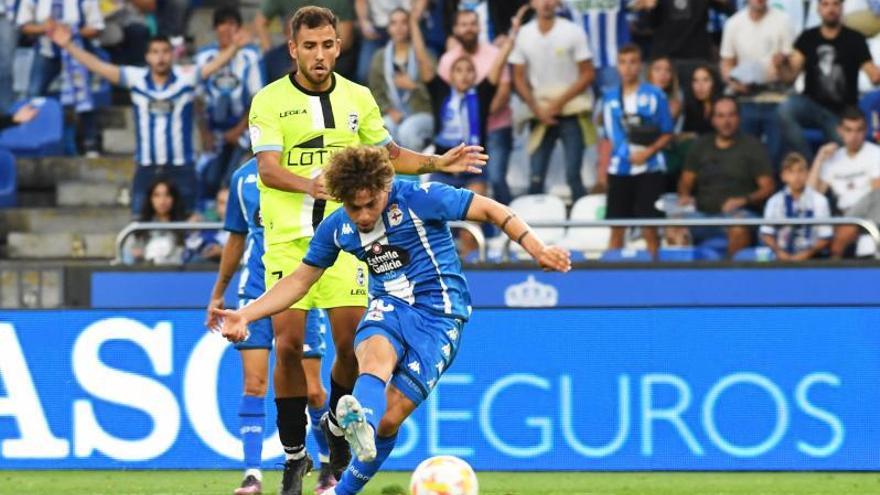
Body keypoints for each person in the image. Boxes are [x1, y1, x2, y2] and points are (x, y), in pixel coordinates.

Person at [212, 145, 571, 495]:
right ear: (341, 199)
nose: (364, 215)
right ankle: (357, 420)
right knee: (373, 348)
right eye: (354, 207)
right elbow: (298, 280)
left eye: (371, 204)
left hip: (440, 315)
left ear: (385, 187)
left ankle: (345, 464)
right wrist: (245, 313)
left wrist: (538, 249)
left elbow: (491, 209)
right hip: (390, 305)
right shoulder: (338, 227)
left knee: (390, 419)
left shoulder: (421, 198)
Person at [247, 7, 487, 493]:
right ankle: (294, 457)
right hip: (291, 241)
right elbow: (268, 169)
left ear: (338, 46)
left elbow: (391, 155)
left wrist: (438, 161)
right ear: (294, 49)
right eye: (310, 46)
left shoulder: (358, 97)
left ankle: (338, 438)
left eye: (328, 45)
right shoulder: (269, 100)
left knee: (350, 345)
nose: (320, 54)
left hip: (350, 244)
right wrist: (308, 186)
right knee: (289, 346)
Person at [206, 159, 336, 495]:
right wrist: (218, 293)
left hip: (298, 286)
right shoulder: (242, 177)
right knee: (254, 383)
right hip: (254, 290)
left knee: (313, 389)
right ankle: (252, 475)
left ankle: (327, 466)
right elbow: (236, 239)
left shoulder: (312, 169)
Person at [47, 25, 252, 216]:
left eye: (165, 52)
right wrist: (69, 46)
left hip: (181, 166)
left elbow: (214, 65)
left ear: (172, 55)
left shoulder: (185, 78)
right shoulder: (135, 78)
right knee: (138, 222)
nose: (160, 57)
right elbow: (99, 67)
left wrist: (234, 47)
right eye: (155, 52)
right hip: (146, 166)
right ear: (147, 56)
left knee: (188, 223)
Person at [510, 0, 595, 202]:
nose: (546, 3)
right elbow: (518, 77)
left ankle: (580, 226)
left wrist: (558, 104)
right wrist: (536, 108)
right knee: (536, 175)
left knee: (574, 175)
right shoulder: (524, 33)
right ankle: (530, 227)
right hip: (539, 112)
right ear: (532, 3)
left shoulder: (572, 31)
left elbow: (587, 74)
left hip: (571, 112)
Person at [437, 5, 521, 205]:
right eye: (464, 25)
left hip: (495, 126)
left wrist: (478, 114)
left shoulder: (493, 53)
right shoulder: (448, 59)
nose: (469, 29)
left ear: (480, 27)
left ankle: (506, 228)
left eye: (473, 24)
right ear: (455, 29)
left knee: (496, 179)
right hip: (460, 138)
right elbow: (443, 98)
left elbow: (502, 89)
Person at [776, 0, 880, 160]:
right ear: (818, 8)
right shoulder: (807, 37)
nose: (830, 9)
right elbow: (789, 76)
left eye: (835, 4)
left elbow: (874, 75)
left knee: (845, 155)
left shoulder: (855, 39)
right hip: (811, 105)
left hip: (841, 112)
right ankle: (809, 165)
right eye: (825, 4)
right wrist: (781, 65)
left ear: (842, 7)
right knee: (784, 109)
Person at [678, 97, 776, 257]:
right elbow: (685, 181)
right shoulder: (700, 146)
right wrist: (685, 196)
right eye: (721, 116)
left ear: (738, 118)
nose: (726, 121)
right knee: (674, 225)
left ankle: (729, 277)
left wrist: (743, 200)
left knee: (738, 226)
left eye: (731, 115)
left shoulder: (752, 146)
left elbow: (768, 187)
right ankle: (682, 279)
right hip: (703, 215)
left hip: (739, 214)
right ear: (713, 119)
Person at [602, 44, 674, 258]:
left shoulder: (655, 95)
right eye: (623, 62)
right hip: (620, 169)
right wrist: (623, 156)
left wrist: (647, 152)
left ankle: (655, 271)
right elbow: (609, 134)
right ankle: (608, 275)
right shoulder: (609, 97)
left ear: (640, 66)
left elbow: (667, 132)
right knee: (617, 227)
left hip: (650, 168)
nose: (628, 67)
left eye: (633, 62)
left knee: (649, 226)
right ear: (617, 66)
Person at [17, 0, 105, 155]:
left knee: (84, 96)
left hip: (78, 52)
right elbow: (24, 25)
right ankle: (30, 140)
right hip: (46, 52)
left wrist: (71, 31)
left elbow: (97, 28)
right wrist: (44, 28)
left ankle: (90, 142)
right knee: (33, 93)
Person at [195, 6, 263, 204]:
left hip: (242, 131)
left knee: (233, 179)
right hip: (213, 132)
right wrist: (205, 134)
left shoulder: (250, 57)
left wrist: (238, 130)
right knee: (209, 179)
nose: (226, 29)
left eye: (232, 24)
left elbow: (256, 98)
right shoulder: (204, 57)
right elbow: (197, 99)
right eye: (222, 24)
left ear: (239, 29)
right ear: (215, 28)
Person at [719, 0, 793, 167]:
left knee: (776, 156)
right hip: (745, 97)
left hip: (776, 97)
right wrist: (733, 82)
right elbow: (726, 63)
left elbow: (793, 67)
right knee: (744, 155)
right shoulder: (734, 23)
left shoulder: (783, 20)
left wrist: (782, 63)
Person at [807, 107, 880, 256]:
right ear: (840, 131)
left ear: (865, 131)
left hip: (868, 215)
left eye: (859, 130)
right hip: (842, 216)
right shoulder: (833, 158)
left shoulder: (875, 153)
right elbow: (811, 196)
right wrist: (819, 158)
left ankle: (835, 259)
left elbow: (876, 194)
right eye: (849, 130)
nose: (854, 136)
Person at [367, 7, 434, 153]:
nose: (399, 28)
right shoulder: (380, 57)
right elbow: (375, 92)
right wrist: (388, 110)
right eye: (394, 23)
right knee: (382, 129)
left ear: (410, 27)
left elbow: (437, 94)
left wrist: (414, 87)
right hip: (393, 112)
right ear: (388, 28)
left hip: (422, 112)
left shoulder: (425, 55)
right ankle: (387, 174)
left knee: (407, 130)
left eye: (404, 22)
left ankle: (414, 174)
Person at [255, 0, 356, 79]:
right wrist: (269, 51)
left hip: (333, 53)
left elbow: (346, 40)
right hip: (293, 50)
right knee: (271, 60)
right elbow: (260, 22)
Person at [761, 152, 833, 260]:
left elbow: (826, 236)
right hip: (781, 258)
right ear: (783, 176)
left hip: (813, 259)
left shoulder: (820, 200)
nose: (796, 176)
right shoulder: (774, 201)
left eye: (800, 171)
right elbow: (766, 233)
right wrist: (779, 252)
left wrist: (806, 254)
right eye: (791, 172)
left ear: (807, 174)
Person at [123, 178, 186, 265]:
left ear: (174, 198)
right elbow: (127, 258)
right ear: (150, 199)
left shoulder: (185, 226)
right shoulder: (138, 227)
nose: (162, 200)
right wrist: (136, 256)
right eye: (157, 195)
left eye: (167, 195)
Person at [647, 56, 682, 124]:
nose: (663, 74)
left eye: (668, 70)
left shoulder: (676, 100)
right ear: (649, 73)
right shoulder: (639, 96)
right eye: (657, 69)